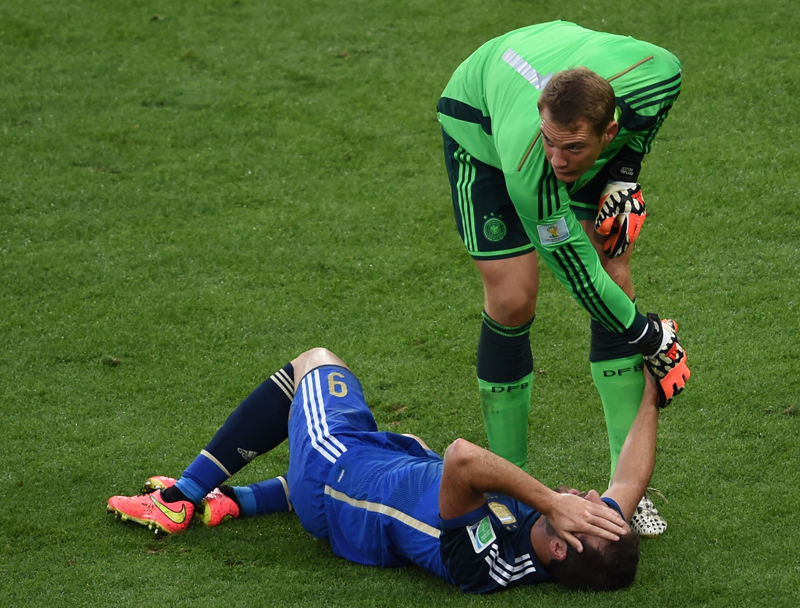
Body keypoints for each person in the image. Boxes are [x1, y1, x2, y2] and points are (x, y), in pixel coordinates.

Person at [108, 346, 668, 592]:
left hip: (336, 476)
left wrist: (551, 500)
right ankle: (235, 501)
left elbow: (464, 457)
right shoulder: (582, 539)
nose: (589, 494)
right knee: (414, 444)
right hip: (385, 473)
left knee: (316, 364)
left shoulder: (483, 564)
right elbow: (629, 480)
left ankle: (179, 498)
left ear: (566, 545)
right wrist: (654, 388)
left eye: (587, 507)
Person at [437, 21, 690, 532]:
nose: (560, 160)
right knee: (513, 298)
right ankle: (511, 490)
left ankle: (628, 491)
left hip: (560, 95)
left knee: (613, 260)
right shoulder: (537, 163)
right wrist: (650, 337)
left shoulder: (659, 76)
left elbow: (650, 112)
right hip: (481, 125)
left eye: (573, 148)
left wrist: (623, 175)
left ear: (609, 131)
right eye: (554, 144)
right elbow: (574, 270)